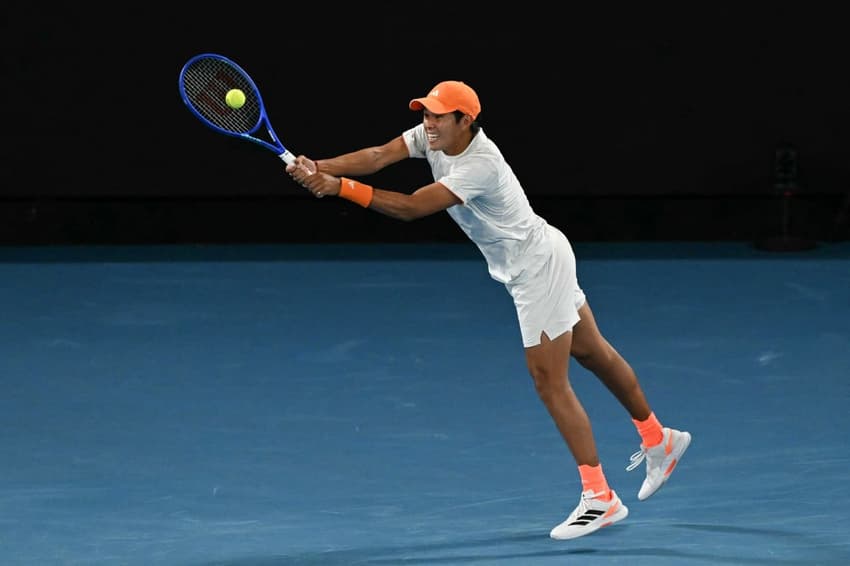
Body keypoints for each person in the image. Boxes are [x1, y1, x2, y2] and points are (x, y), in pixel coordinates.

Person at [285, 80, 691, 540]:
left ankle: (600, 498)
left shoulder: (480, 165)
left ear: (467, 121)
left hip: (536, 269)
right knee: (594, 353)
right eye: (426, 113)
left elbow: (413, 208)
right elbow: (379, 156)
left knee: (549, 381)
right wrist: (318, 166)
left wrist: (338, 187)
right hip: (544, 252)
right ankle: (659, 439)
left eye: (439, 115)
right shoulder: (431, 136)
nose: (428, 121)